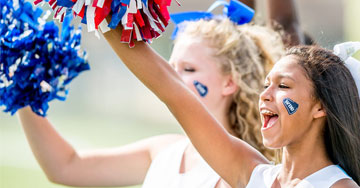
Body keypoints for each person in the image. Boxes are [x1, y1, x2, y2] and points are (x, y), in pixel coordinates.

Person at [17, 8, 286, 188]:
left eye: (189, 69)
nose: (173, 77)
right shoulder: (164, 150)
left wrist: (103, 10)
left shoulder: (247, 169)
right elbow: (65, 167)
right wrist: (21, 87)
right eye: (171, 67)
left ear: (230, 82)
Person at [103, 24, 360, 187]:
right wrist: (103, 15)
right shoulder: (253, 174)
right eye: (266, 84)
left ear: (320, 107)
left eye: (283, 86)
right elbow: (173, 91)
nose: (266, 95)